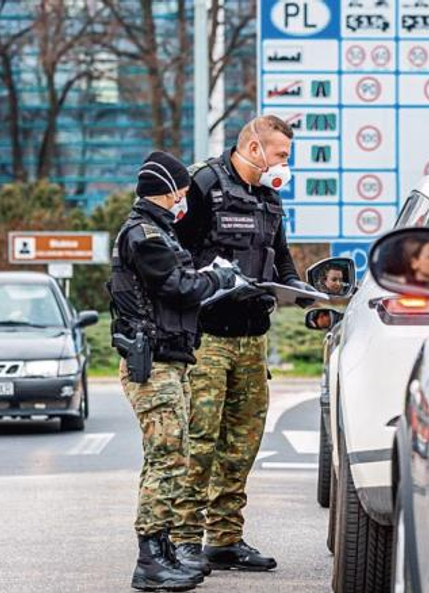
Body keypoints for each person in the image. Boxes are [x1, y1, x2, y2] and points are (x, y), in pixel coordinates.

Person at [172, 115, 312, 571]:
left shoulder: (269, 196)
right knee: (200, 441)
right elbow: (175, 254)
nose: (285, 165)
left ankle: (225, 538)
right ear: (254, 148)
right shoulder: (205, 185)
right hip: (208, 337)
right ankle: (185, 540)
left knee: (243, 443)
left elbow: (282, 256)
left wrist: (297, 289)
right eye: (281, 155)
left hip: (254, 337)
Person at [108, 151, 237, 592]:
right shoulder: (146, 235)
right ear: (169, 191)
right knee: (167, 457)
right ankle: (150, 561)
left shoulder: (160, 232)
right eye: (182, 191)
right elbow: (180, 289)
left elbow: (178, 284)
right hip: (153, 362)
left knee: (170, 455)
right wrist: (220, 281)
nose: (185, 198)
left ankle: (162, 550)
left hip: (170, 359)